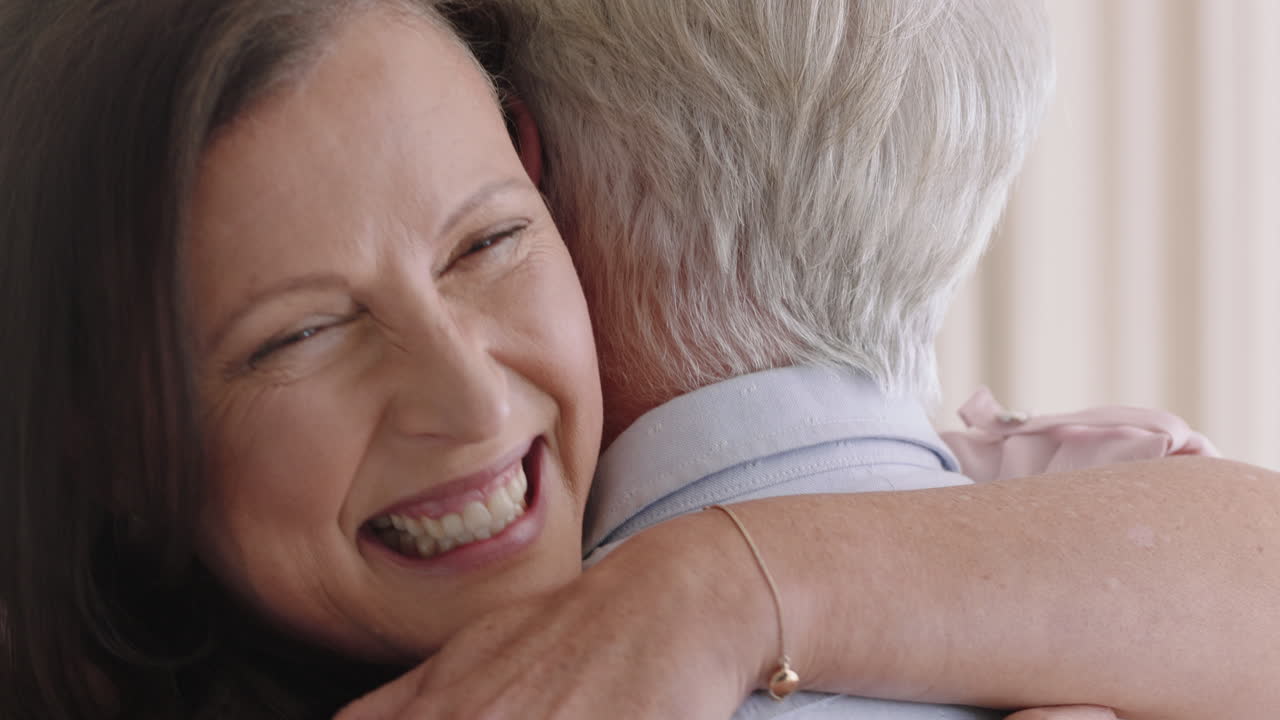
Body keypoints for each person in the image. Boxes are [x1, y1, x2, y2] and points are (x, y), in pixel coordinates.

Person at [2, 3, 1277, 720]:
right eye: (299, 335)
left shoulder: (919, 490)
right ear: (101, 428)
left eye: (489, 239)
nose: (467, 398)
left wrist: (718, 586)